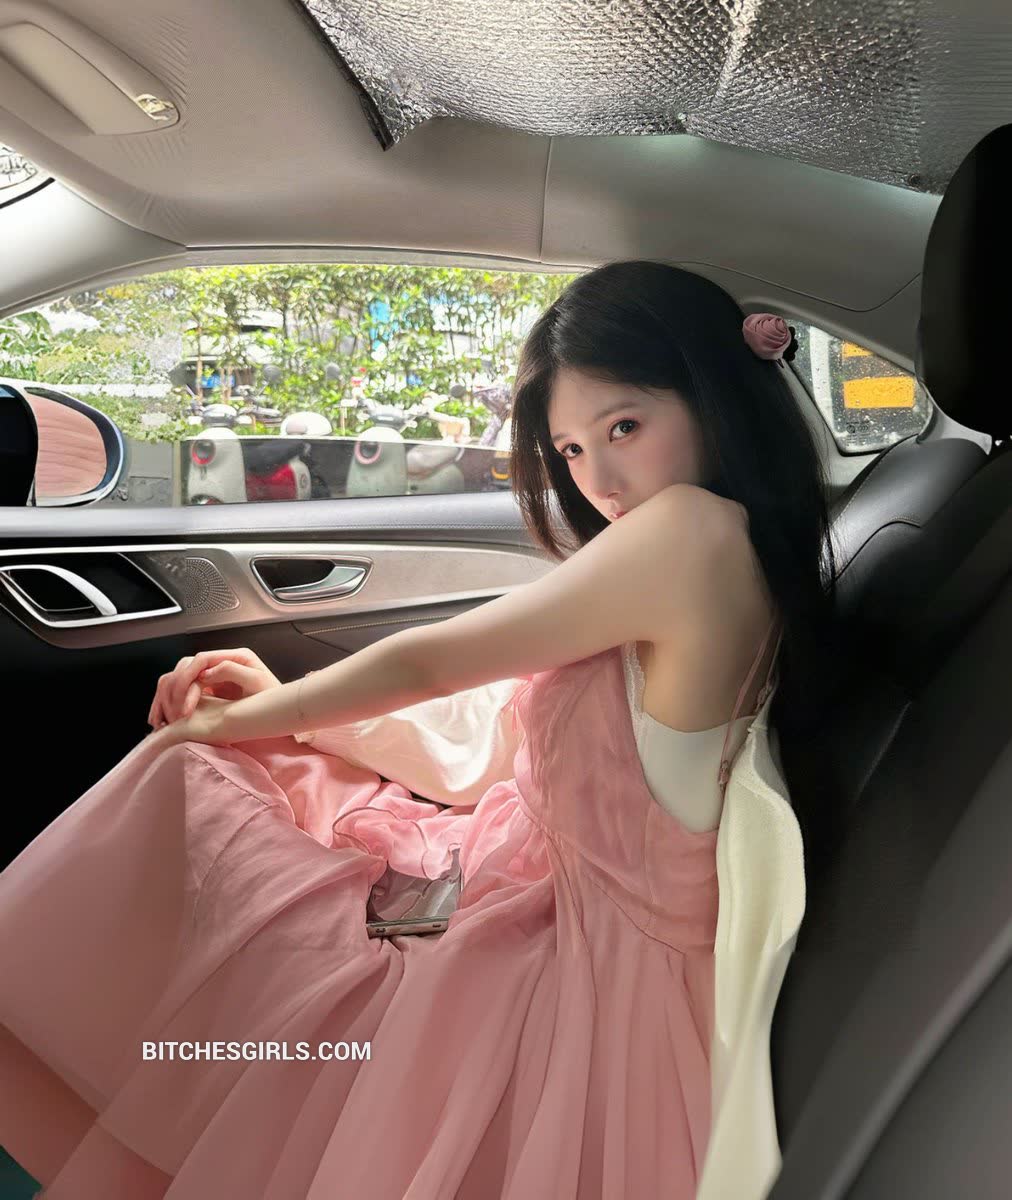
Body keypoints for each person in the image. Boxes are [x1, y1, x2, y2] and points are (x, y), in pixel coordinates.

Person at [0, 260, 839, 1199]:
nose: (599, 480)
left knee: (193, 777)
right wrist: (286, 712)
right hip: (532, 891)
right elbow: (505, 739)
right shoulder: (722, 545)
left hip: (583, 971)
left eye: (625, 428)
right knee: (230, 784)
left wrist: (251, 714)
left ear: (711, 396)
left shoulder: (689, 531)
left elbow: (431, 662)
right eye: (569, 450)